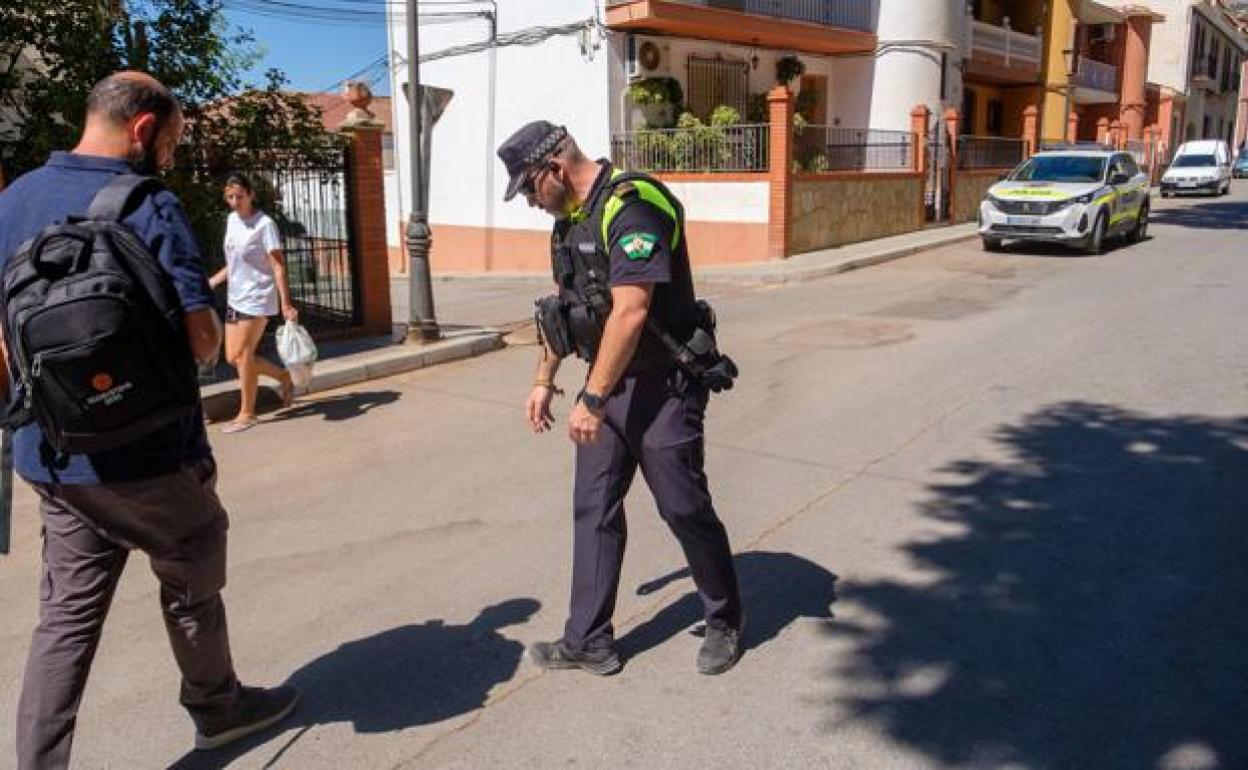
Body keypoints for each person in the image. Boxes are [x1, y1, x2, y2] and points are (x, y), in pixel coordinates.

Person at [0, 72, 298, 769]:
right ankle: (219, 709)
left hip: (55, 454)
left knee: (65, 622)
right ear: (141, 128)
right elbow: (201, 342)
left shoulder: (13, 201)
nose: (169, 155)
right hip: (152, 456)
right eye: (170, 140)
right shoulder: (147, 203)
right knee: (193, 563)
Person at [497, 121, 744, 676]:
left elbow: (631, 310)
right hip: (606, 386)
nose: (531, 204)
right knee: (594, 508)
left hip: (662, 386)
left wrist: (591, 398)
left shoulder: (632, 205)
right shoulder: (567, 224)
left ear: (555, 169)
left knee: (682, 506)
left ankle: (725, 617)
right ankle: (587, 639)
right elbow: (561, 313)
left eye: (530, 189)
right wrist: (544, 379)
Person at [208, 172, 298, 433]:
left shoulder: (264, 224)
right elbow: (234, 262)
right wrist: (213, 281)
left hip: (259, 297)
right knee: (232, 357)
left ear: (251, 195)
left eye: (239, 196)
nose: (234, 201)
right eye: (230, 197)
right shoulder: (231, 220)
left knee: (245, 355)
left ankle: (247, 413)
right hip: (236, 296)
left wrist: (286, 304)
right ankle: (283, 377)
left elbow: (278, 266)